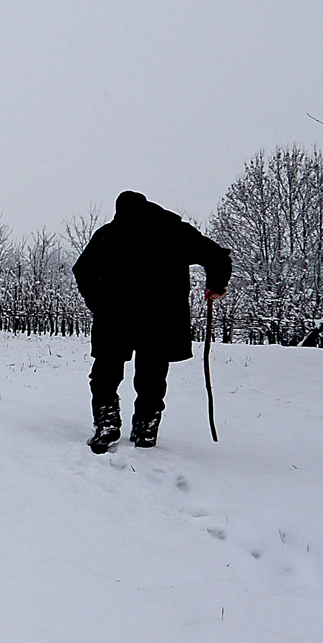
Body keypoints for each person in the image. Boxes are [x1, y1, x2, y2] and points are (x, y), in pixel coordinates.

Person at [72, 191, 231, 450]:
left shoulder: (109, 233)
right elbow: (217, 256)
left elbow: (82, 270)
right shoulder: (175, 231)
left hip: (116, 315)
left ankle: (107, 423)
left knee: (105, 373)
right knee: (152, 376)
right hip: (160, 317)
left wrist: (98, 303)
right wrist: (216, 284)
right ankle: (146, 429)